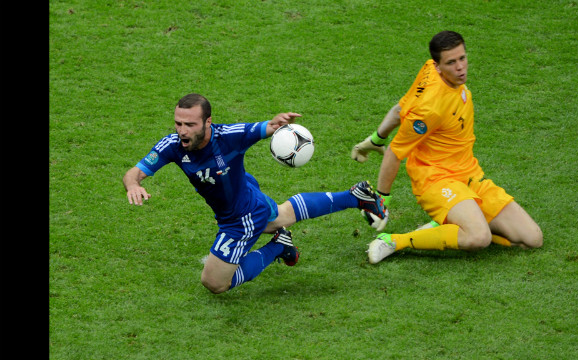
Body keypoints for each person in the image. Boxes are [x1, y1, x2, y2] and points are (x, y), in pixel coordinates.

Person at [123, 93, 388, 293]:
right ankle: (356, 196)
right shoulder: (172, 145)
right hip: (245, 194)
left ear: (208, 122)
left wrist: (277, 124)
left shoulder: (230, 137)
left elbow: (264, 128)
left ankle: (277, 247)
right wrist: (134, 184)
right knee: (282, 216)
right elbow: (133, 173)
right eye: (178, 123)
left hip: (240, 217)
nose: (182, 131)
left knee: (214, 282)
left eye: (190, 124)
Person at [351, 31, 543, 264]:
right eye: (451, 63)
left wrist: (376, 138)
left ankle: (452, 222)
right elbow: (396, 152)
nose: (460, 67)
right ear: (439, 66)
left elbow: (402, 107)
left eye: (462, 58)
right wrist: (381, 201)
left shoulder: (429, 70)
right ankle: (394, 241)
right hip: (436, 179)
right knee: (478, 237)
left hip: (469, 174)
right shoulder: (430, 109)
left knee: (531, 239)